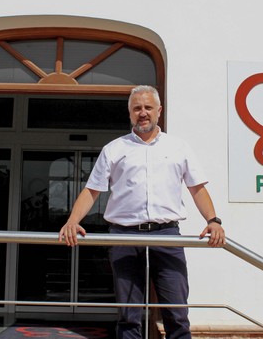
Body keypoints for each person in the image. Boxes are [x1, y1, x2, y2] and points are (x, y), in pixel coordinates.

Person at [59, 85, 225, 339]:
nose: (143, 113)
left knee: (177, 313)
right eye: (137, 108)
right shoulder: (114, 149)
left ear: (159, 110)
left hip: (166, 236)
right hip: (124, 237)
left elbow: (197, 189)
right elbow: (92, 190)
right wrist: (72, 221)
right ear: (130, 113)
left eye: (148, 107)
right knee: (128, 316)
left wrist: (213, 220)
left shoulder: (178, 147)